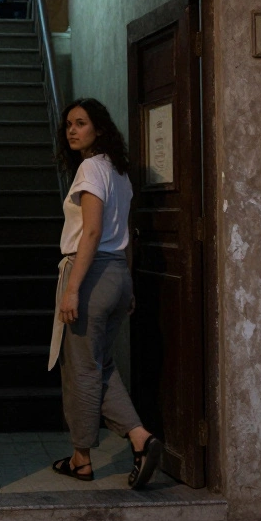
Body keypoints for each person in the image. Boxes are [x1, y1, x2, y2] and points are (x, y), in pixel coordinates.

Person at [48, 98, 163, 489]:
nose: (72, 130)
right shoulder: (120, 172)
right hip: (116, 274)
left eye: (81, 123)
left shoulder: (91, 168)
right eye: (68, 125)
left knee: (81, 369)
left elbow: (93, 232)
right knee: (101, 365)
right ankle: (140, 438)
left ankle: (83, 459)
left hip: (91, 274)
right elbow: (125, 234)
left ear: (99, 128)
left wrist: (73, 289)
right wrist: (127, 285)